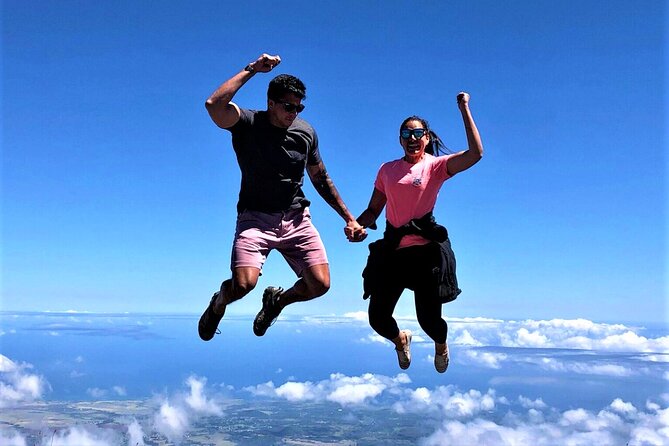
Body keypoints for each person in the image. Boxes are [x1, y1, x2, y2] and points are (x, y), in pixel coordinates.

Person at [198, 53, 365, 340]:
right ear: (271, 103)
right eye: (288, 106)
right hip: (255, 219)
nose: (294, 112)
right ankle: (218, 303)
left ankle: (277, 302)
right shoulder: (248, 123)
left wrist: (349, 218)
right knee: (243, 285)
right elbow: (214, 105)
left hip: (296, 217)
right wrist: (251, 69)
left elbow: (320, 178)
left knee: (320, 285)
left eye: (299, 107)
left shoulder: (306, 132)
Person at [353, 92, 483, 373]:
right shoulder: (387, 170)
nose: (412, 138)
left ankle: (440, 344)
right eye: (406, 133)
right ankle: (401, 340)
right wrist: (357, 223)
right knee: (377, 318)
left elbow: (475, 154)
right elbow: (373, 210)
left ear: (426, 138)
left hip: (425, 253)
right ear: (400, 139)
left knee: (430, 321)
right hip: (394, 251)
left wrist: (464, 109)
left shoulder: (435, 167)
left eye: (418, 133)